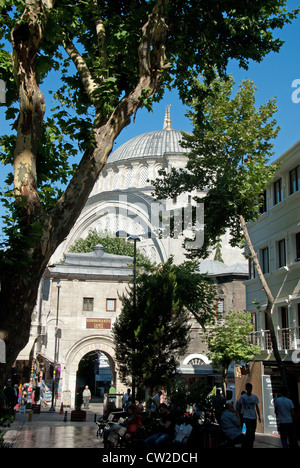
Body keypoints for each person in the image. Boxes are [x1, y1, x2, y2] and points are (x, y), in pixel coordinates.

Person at [238, 383, 261, 448]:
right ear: (246, 389)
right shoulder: (243, 397)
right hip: (246, 416)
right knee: (249, 430)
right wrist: (239, 416)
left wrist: (259, 416)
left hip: (253, 416)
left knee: (252, 431)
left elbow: (257, 407)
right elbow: (240, 406)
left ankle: (251, 443)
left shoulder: (254, 397)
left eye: (250, 389)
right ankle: (247, 442)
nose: (249, 390)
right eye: (248, 389)